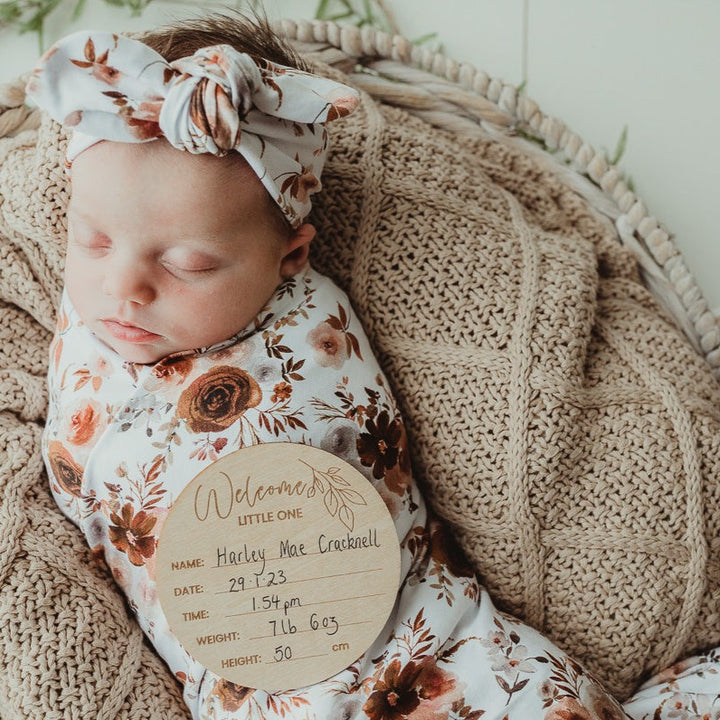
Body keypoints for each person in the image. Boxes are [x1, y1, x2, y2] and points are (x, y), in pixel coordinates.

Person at [28, 12, 718, 720]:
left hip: (448, 659)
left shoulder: (307, 329)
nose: (126, 288)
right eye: (93, 240)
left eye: (190, 264)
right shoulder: (75, 325)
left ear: (289, 259)